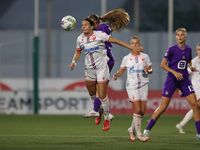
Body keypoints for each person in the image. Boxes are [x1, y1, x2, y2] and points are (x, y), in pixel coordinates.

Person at [70, 17, 140, 131]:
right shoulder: (80, 39)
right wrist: (73, 62)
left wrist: (130, 47)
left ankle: (107, 117)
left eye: (86, 25)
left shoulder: (100, 35)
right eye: (82, 25)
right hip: (89, 70)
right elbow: (78, 52)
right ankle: (99, 111)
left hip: (101, 68)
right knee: (93, 93)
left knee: (102, 95)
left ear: (92, 27)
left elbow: (116, 41)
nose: (83, 27)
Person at [143, 28, 200, 140]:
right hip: (172, 80)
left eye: (182, 35)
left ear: (185, 37)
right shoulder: (171, 50)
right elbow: (163, 65)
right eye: (178, 35)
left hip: (184, 81)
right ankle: (147, 129)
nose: (179, 37)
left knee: (195, 105)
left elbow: (188, 60)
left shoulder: (188, 49)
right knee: (163, 107)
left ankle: (199, 133)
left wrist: (190, 66)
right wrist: (174, 72)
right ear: (175, 37)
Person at [82, 9, 130, 125]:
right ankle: (101, 111)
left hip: (106, 60)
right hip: (95, 62)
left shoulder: (102, 29)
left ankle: (100, 113)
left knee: (100, 88)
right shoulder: (92, 32)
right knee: (95, 91)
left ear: (95, 24)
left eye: (90, 24)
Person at [113, 36, 152, 142]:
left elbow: (150, 69)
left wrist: (147, 71)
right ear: (130, 46)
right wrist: (116, 74)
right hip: (132, 86)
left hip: (144, 84)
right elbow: (122, 71)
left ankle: (131, 129)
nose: (135, 45)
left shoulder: (145, 57)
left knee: (142, 112)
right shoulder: (126, 58)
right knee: (138, 110)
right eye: (133, 43)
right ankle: (139, 134)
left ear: (139, 45)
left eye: (137, 43)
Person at [176, 43, 200, 134]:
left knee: (196, 108)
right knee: (197, 107)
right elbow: (186, 75)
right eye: (198, 49)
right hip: (196, 88)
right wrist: (182, 87)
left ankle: (181, 124)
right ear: (197, 50)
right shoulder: (194, 61)